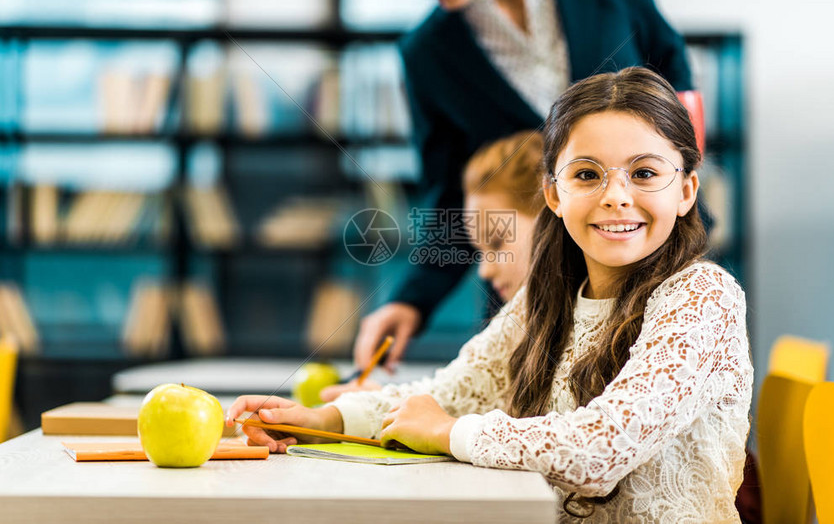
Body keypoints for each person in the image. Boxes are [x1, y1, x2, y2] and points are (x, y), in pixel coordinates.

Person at [227, 68, 752, 522]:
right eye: (587, 174)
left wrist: (450, 433)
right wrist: (325, 421)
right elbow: (452, 393)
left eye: (644, 173)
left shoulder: (703, 295)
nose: (616, 196)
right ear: (553, 193)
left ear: (686, 190)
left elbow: (601, 449)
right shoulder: (548, 296)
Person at [355, 0, 699, 372]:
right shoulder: (427, 54)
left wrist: (675, 191)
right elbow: (447, 197)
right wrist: (411, 299)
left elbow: (674, 79)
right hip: (528, 293)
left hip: (647, 259)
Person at [320, 131, 544, 402]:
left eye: (496, 243)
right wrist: (371, 405)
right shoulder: (510, 330)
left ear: (554, 212)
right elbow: (458, 394)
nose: (484, 271)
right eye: (479, 251)